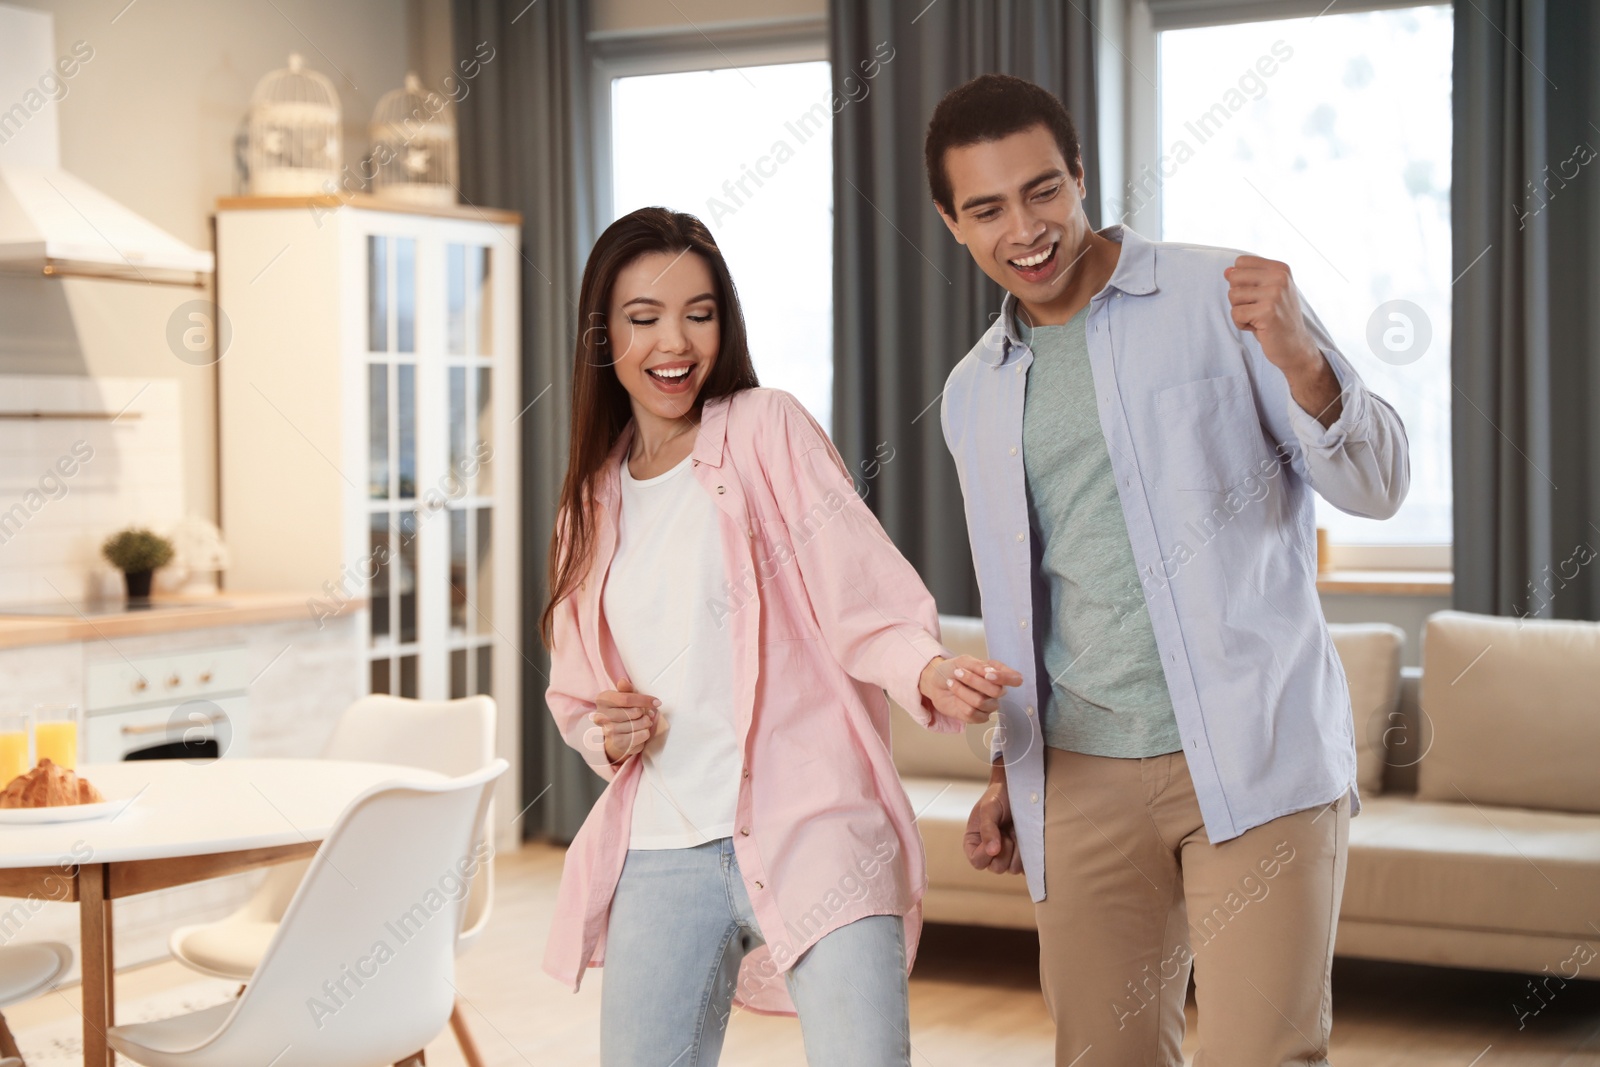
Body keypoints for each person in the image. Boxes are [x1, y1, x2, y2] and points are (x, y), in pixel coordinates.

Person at [926, 74, 1410, 1064]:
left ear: (1081, 177)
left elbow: (1379, 485)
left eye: (1043, 191)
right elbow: (1030, 597)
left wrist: (1305, 359)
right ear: (951, 223)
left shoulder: (1224, 295)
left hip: (1254, 751)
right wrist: (1002, 772)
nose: (1024, 229)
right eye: (987, 208)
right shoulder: (971, 393)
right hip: (1077, 776)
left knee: (1261, 1053)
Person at [540, 206, 1022, 1067]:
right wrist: (603, 730)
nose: (674, 341)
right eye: (643, 318)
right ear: (602, 336)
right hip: (661, 845)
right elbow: (578, 697)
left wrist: (928, 666)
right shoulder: (588, 505)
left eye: (699, 312)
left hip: (814, 822)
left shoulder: (767, 428)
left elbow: (858, 589)